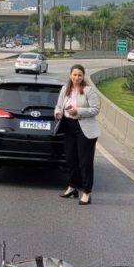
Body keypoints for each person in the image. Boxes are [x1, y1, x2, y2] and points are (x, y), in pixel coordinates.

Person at [54, 64, 100, 205]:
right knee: (70, 160)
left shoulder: (88, 91)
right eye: (74, 74)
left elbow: (95, 109)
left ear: (83, 76)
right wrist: (58, 112)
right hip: (68, 127)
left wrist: (78, 111)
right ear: (70, 75)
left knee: (85, 162)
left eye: (79, 75)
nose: (77, 77)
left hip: (84, 129)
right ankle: (72, 187)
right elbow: (59, 105)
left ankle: (87, 192)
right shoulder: (65, 89)